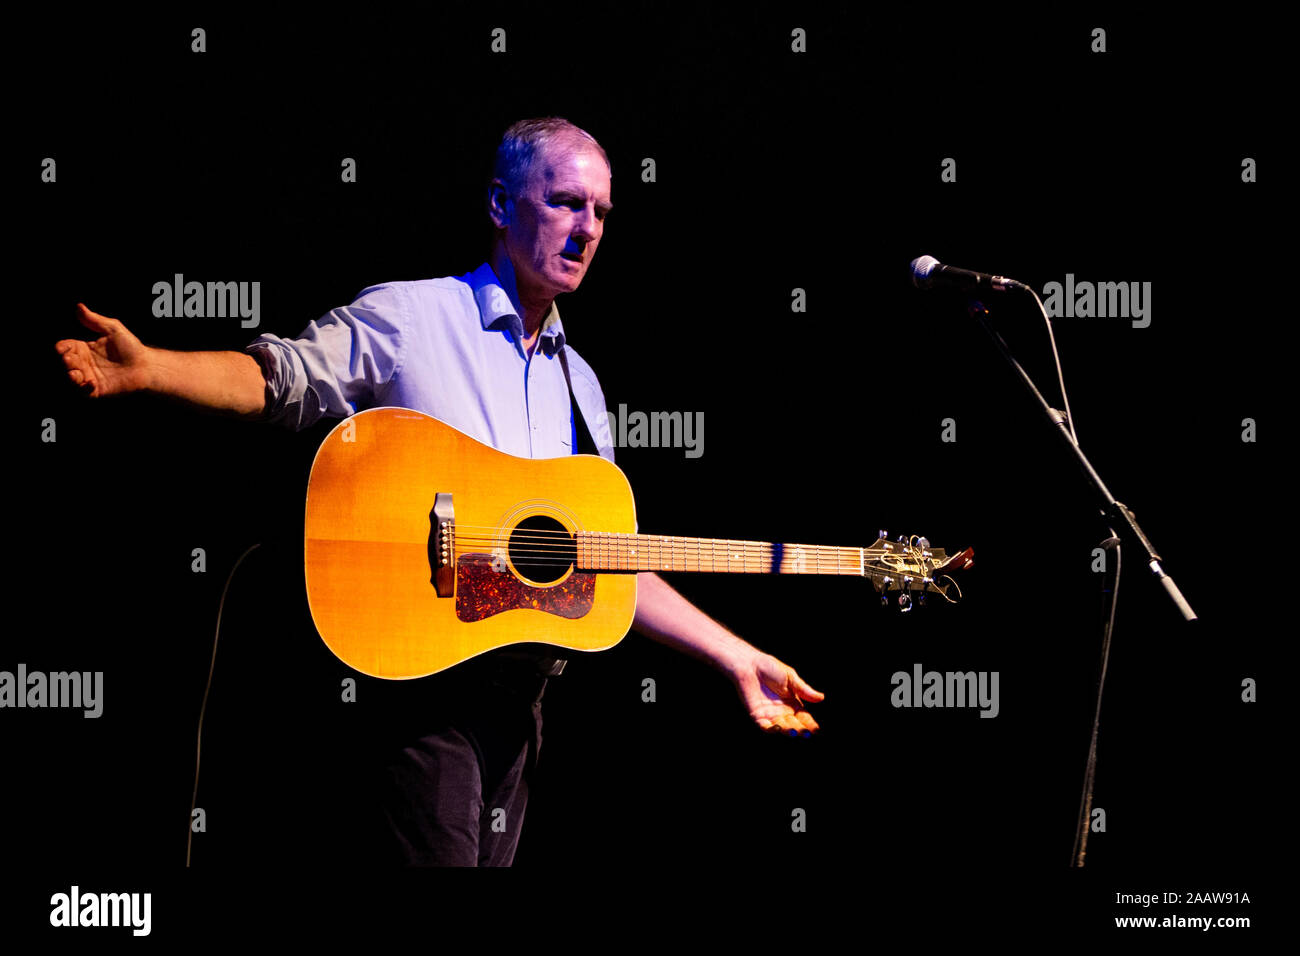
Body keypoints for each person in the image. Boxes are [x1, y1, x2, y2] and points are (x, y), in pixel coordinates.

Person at [54, 116, 824, 866]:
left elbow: (602, 562)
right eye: (564, 203)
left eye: (600, 212)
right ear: (499, 205)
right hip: (416, 696)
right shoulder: (414, 316)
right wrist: (153, 366)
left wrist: (736, 657)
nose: (586, 229)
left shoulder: (580, 386)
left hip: (519, 714)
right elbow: (277, 378)